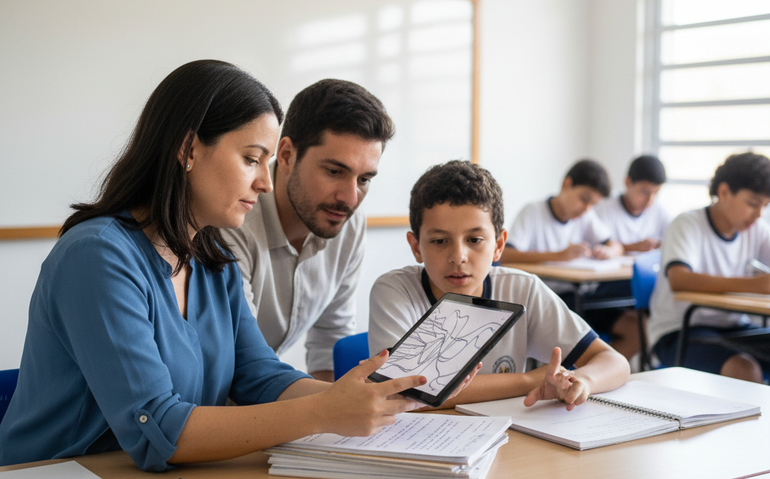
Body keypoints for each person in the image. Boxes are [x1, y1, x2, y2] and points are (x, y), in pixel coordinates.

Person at [0, 60, 476, 471]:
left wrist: (371, 395)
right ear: (188, 150)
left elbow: (260, 375)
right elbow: (156, 431)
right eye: (252, 159)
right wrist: (325, 412)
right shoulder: (97, 256)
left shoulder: (212, 258)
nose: (266, 184)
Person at [368, 160, 629, 410]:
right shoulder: (395, 291)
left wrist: (583, 381)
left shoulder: (523, 290)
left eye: (475, 239)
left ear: (499, 245)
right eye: (439, 241)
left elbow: (614, 362)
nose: (458, 256)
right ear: (416, 247)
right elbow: (398, 394)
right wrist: (528, 380)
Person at [221, 79, 392, 381]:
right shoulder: (233, 222)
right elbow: (243, 361)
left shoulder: (347, 221)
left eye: (364, 179)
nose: (350, 198)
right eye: (335, 171)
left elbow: (330, 339)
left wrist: (338, 418)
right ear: (286, 155)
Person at [498, 159, 639, 360]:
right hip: (545, 302)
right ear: (566, 184)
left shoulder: (586, 216)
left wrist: (609, 252)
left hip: (581, 298)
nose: (586, 208)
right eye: (584, 199)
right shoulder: (533, 212)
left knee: (636, 328)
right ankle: (572, 374)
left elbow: (615, 245)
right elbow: (506, 255)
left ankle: (598, 373)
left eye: (593, 204)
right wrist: (558, 256)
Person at [649, 152, 770, 383]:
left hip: (734, 328)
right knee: (744, 369)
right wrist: (754, 285)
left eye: (765, 206)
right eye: (753, 204)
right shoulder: (687, 224)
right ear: (724, 192)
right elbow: (679, 279)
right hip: (680, 332)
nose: (758, 214)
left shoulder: (758, 229)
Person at [594, 155, 671, 253]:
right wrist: (633, 247)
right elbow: (597, 246)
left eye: (656, 193)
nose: (650, 199)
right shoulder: (604, 206)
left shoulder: (658, 210)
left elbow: (675, 236)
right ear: (627, 182)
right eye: (645, 192)